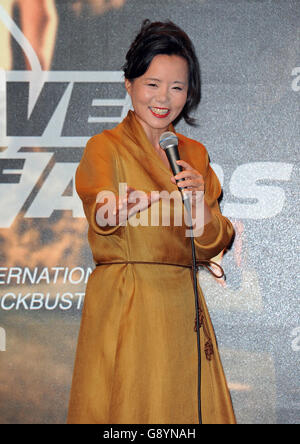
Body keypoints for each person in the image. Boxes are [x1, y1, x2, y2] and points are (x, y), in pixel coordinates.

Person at [67, 19, 236, 425]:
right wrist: (117, 209)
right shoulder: (104, 147)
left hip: (181, 303)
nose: (164, 98)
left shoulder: (193, 152)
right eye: (152, 84)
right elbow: (100, 209)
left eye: (177, 87)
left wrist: (199, 204)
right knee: (126, 407)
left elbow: (212, 242)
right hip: (127, 300)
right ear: (129, 84)